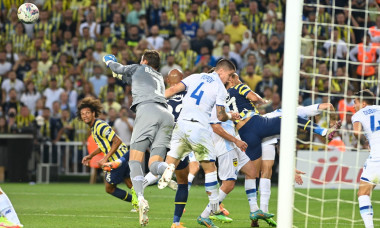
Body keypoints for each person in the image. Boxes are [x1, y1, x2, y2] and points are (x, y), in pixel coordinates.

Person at [157, 59, 240, 228]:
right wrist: (232, 115)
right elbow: (221, 116)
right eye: (230, 75)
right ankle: (215, 207)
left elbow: (172, 90)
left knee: (168, 163)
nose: (229, 79)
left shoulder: (195, 77)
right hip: (198, 128)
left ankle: (159, 175)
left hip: (180, 126)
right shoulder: (220, 88)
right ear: (222, 72)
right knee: (210, 169)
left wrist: (153, 101)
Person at [103, 50, 174, 226]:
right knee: (154, 165)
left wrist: (109, 62)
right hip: (166, 115)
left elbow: (119, 69)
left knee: (135, 160)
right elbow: (129, 79)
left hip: (147, 111)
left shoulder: (139, 68)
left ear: (144, 60)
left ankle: (141, 198)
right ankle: (166, 167)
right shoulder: (158, 76)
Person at [78, 97, 138, 212]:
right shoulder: (94, 127)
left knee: (109, 188)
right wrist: (91, 155)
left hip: (116, 160)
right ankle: (139, 202)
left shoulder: (100, 125)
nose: (85, 116)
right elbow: (104, 146)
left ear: (93, 113)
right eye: (82, 114)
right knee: (129, 183)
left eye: (87, 113)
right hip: (123, 156)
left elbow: (117, 140)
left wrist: (105, 158)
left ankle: (138, 201)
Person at [352, 89, 380, 228]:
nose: (353, 105)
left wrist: (364, 142)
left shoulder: (358, 114)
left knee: (363, 193)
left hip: (377, 157)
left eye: (355, 102)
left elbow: (357, 132)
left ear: (363, 103)